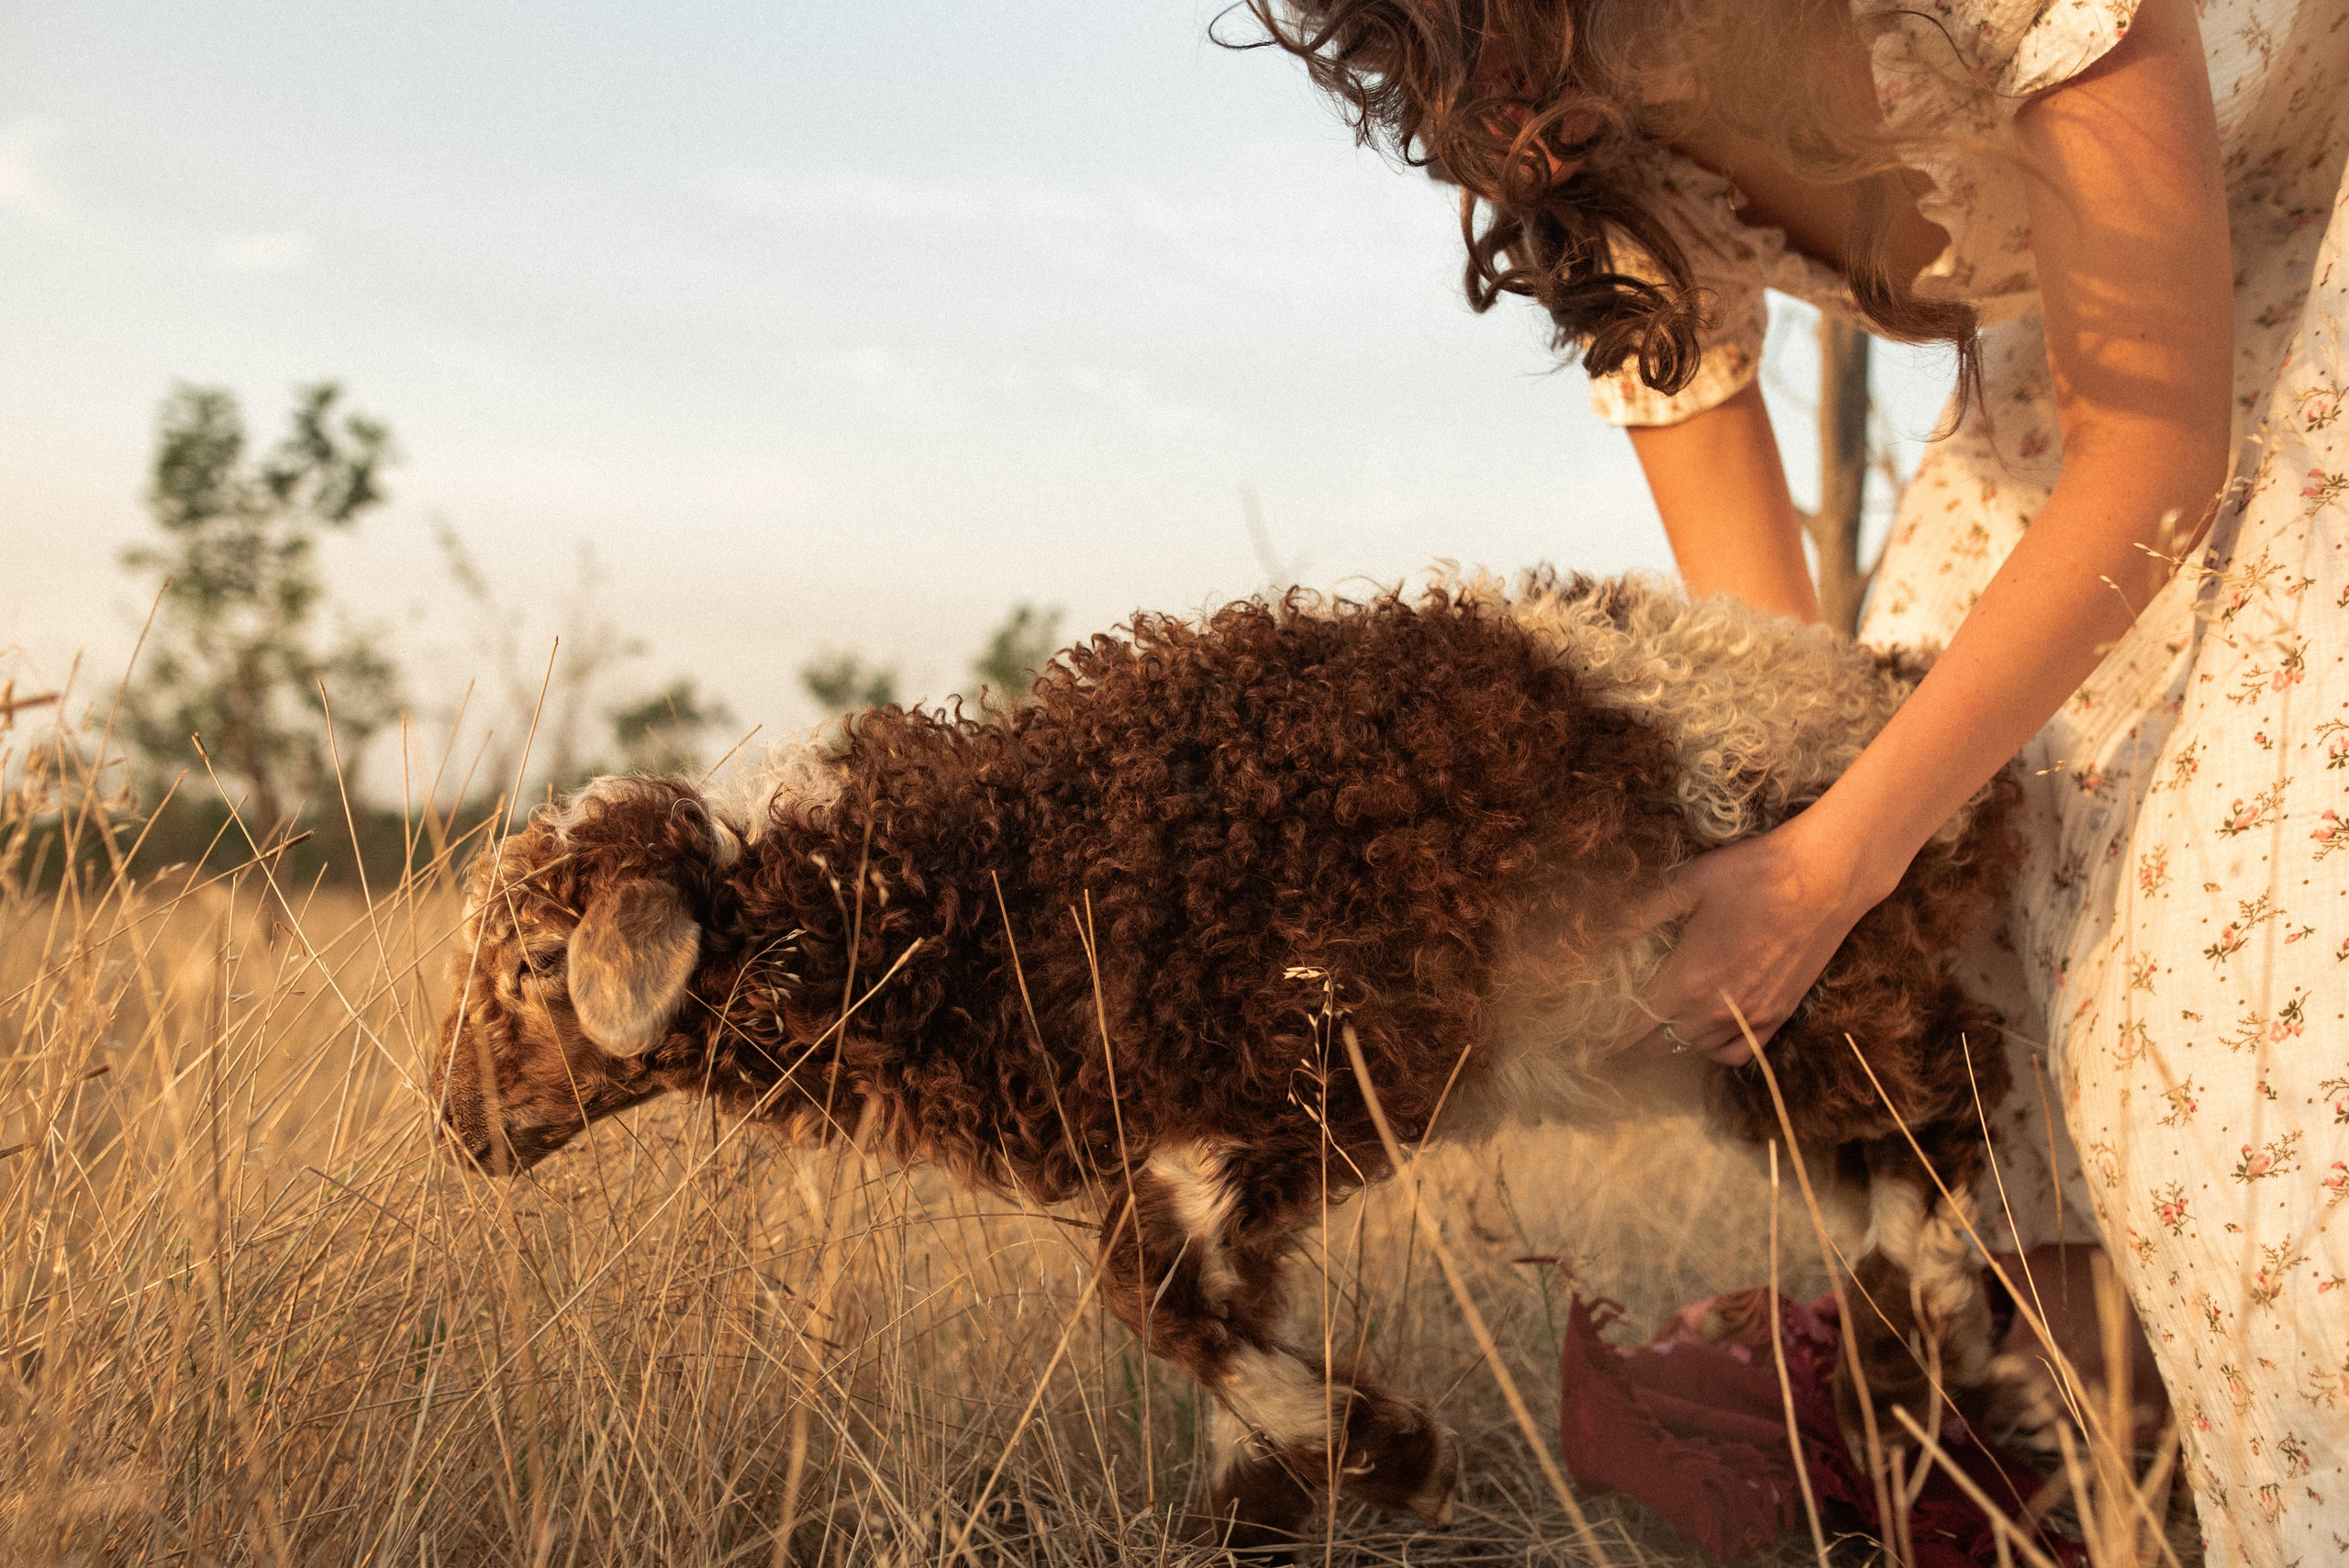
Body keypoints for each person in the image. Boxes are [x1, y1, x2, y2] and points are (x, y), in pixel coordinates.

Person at [1249, 0, 2349, 1559]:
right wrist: (1722, 887)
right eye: (1473, 82)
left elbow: (2152, 460)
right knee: (1949, 872)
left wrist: (1835, 870)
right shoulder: (1578, 159)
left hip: (2298, 246)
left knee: (2218, 984)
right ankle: (2103, 1480)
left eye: (1536, 53)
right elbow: (1771, 690)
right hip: (2102, 339)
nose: (1521, 132)